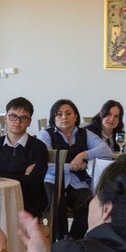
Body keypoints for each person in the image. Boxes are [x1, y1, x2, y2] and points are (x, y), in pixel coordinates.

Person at [37, 99, 111, 240]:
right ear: (54, 118)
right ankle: (59, 241)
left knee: (88, 202)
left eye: (68, 113)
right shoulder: (45, 134)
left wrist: (83, 155)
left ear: (75, 116)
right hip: (52, 180)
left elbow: (105, 149)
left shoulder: (85, 133)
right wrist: (72, 166)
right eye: (59, 114)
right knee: (57, 203)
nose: (64, 117)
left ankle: (74, 240)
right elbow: (44, 162)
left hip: (76, 181)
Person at [0, 97, 48, 215]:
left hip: (28, 201)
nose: (17, 121)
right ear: (5, 118)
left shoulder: (38, 147)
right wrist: (24, 176)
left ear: (29, 122)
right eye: (13, 116)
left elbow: (34, 183)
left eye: (23, 118)